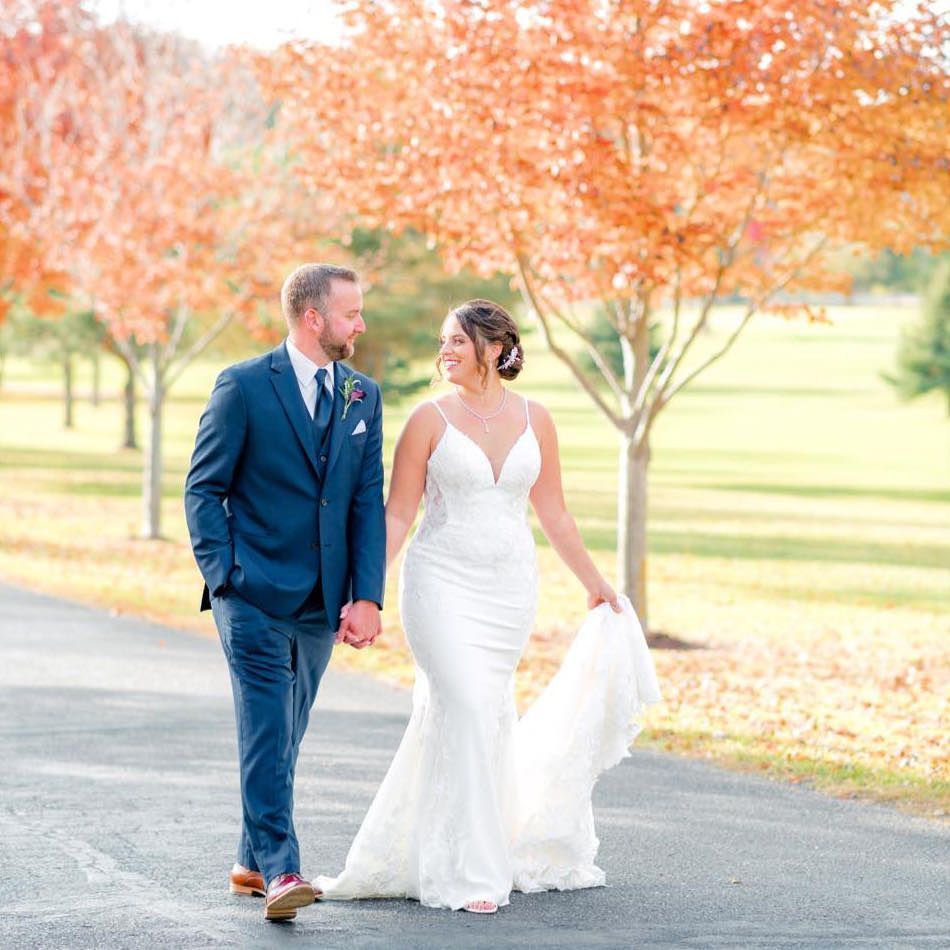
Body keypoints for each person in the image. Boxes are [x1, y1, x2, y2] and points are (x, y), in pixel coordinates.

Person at [317, 299, 660, 913]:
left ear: (495, 349)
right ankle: (475, 873)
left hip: (508, 591)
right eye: (442, 341)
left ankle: (451, 845)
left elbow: (553, 512)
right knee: (469, 705)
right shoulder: (428, 419)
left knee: (481, 712)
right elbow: (398, 514)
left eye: (456, 341)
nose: (443, 351)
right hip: (439, 583)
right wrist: (364, 591)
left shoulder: (537, 419)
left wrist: (595, 581)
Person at [184, 263, 385, 921]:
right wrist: (226, 578)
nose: (360, 324)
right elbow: (204, 489)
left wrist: (367, 595)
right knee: (269, 724)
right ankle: (282, 873)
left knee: (284, 735)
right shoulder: (242, 387)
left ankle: (248, 858)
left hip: (322, 599)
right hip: (252, 595)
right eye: (351, 312)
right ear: (312, 317)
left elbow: (364, 500)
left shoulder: (363, 395)